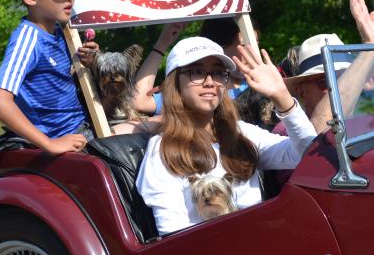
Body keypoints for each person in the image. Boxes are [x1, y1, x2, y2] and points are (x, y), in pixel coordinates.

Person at [135, 36, 316, 235]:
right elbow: (173, 234)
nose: (210, 82)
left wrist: (282, 97)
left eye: (218, 73)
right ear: (175, 83)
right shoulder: (162, 149)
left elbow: (308, 155)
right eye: (196, 72)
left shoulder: (241, 132)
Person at [0, 0, 97, 155]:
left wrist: (90, 62)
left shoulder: (61, 31)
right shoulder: (28, 39)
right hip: (69, 140)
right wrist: (49, 144)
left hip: (84, 128)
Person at [282, 0, 374, 133]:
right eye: (326, 82)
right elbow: (315, 136)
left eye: (345, 78)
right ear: (302, 92)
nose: (342, 88)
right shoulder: (287, 134)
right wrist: (370, 49)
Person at [132, 17, 253, 116]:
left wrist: (273, 94)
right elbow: (140, 102)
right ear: (220, 46)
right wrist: (162, 44)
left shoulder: (260, 88)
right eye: (197, 72)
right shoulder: (186, 95)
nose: (252, 51)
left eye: (254, 43)